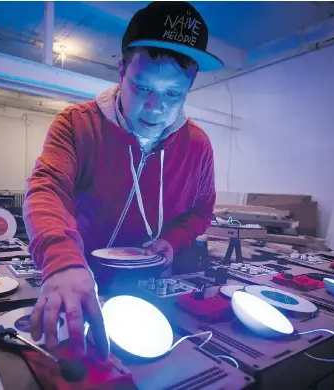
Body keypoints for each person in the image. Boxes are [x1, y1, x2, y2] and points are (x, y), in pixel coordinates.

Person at [23, 1, 223, 361]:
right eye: (142, 87)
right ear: (121, 70)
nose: (155, 108)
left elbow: (201, 211)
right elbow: (46, 190)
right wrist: (63, 261)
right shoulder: (75, 124)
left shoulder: (198, 145)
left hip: (154, 289)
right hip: (80, 281)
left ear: (190, 85)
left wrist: (172, 241)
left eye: (173, 94)